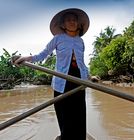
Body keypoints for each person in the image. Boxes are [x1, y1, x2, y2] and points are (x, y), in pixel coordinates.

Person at [13, 8, 90, 140]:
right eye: (68, 20)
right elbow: (43, 54)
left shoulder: (80, 41)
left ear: (78, 23)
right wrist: (27, 58)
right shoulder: (57, 38)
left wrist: (89, 77)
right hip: (62, 81)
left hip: (79, 80)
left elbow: (82, 63)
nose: (72, 22)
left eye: (74, 20)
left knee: (79, 113)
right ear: (63, 25)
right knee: (64, 114)